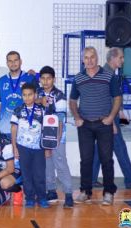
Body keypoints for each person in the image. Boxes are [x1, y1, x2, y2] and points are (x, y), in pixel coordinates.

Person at [69, 46, 122, 206]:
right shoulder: (78, 78)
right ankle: (85, 191)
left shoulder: (108, 76)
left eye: (92, 57)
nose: (89, 60)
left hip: (103, 123)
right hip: (84, 125)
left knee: (106, 159)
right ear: (82, 60)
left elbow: (117, 98)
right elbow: (72, 101)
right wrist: (77, 117)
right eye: (86, 57)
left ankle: (108, 193)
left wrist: (111, 117)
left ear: (97, 58)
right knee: (86, 160)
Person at [92, 47, 131, 189]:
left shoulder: (108, 73)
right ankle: (130, 180)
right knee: (120, 147)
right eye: (121, 57)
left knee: (99, 148)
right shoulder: (107, 75)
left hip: (106, 117)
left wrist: (119, 112)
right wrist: (112, 123)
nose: (123, 60)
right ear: (113, 58)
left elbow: (113, 97)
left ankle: (91, 179)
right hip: (108, 118)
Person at [36, 66, 73, 208]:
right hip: (41, 136)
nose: (46, 81)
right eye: (43, 78)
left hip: (57, 136)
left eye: (49, 78)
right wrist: (39, 100)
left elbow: (60, 120)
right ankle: (51, 191)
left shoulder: (59, 95)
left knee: (60, 163)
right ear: (40, 80)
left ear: (54, 79)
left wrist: (55, 140)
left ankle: (68, 194)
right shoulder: (37, 93)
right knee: (46, 164)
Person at [11, 83, 48, 208]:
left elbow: (47, 128)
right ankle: (30, 198)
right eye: (24, 95)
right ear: (22, 96)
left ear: (35, 95)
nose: (27, 98)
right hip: (23, 147)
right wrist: (14, 147)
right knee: (26, 174)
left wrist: (47, 147)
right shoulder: (17, 110)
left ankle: (42, 197)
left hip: (39, 148)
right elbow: (13, 129)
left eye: (30, 95)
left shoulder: (42, 110)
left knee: (39, 174)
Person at [0, 51, 39, 138]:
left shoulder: (30, 78)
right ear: (7, 63)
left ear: (20, 61)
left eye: (15, 60)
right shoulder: (1, 81)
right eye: (10, 61)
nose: (13, 63)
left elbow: (38, 100)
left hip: (25, 129)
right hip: (5, 129)